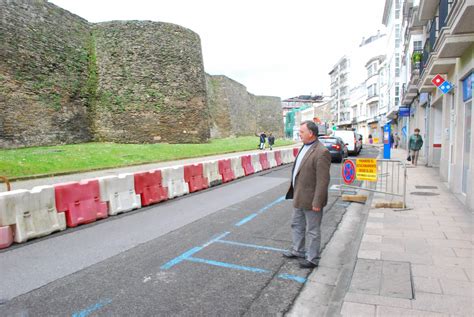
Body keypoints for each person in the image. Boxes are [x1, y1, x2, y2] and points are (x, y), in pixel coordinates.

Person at [283, 120, 331, 269]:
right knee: (296, 224)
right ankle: (298, 250)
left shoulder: (322, 152)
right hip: (299, 196)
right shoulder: (305, 146)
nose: (299, 134)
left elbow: (323, 181)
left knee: (313, 230)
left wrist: (317, 202)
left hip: (311, 200)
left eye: (302, 132)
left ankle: (312, 259)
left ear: (311, 133)